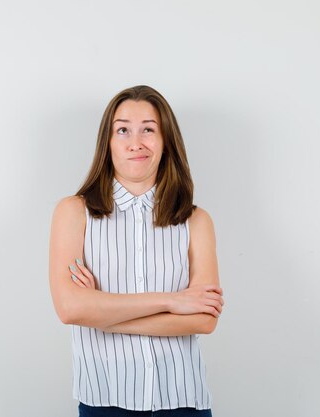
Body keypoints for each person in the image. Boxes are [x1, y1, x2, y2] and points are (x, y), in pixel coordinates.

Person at [48, 85, 224, 417]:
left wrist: (103, 316)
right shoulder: (73, 213)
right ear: (108, 142)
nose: (136, 142)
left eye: (149, 129)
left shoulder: (196, 221)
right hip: (105, 401)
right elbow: (71, 308)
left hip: (183, 401)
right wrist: (173, 301)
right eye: (123, 129)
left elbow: (203, 319)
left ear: (166, 140)